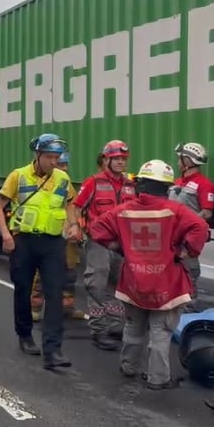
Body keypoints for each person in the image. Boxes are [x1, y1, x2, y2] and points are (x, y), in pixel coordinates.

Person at [89, 159, 207, 390]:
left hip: (134, 282)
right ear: (166, 187)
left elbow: (96, 230)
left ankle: (128, 367)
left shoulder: (123, 211)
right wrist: (185, 251)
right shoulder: (176, 211)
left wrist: (121, 248)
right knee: (160, 333)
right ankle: (158, 378)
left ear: (141, 185)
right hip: (166, 284)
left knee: (133, 328)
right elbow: (200, 228)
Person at [0, 133, 80, 369]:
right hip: (23, 242)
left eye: (56, 157)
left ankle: (53, 350)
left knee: (55, 294)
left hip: (52, 243)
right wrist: (7, 235)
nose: (54, 161)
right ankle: (25, 334)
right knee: (23, 289)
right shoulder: (18, 176)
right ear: (38, 155)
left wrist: (73, 225)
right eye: (49, 157)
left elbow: (70, 202)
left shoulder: (62, 178)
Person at [73, 140, 136, 350]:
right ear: (106, 159)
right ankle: (99, 330)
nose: (120, 162)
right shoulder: (93, 182)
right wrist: (78, 227)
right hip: (99, 241)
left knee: (119, 286)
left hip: (121, 244)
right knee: (96, 284)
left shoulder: (130, 185)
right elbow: (77, 206)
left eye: (123, 159)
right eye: (116, 158)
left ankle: (116, 326)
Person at [30, 151, 85, 321]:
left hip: (68, 238)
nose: (64, 168)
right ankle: (35, 307)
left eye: (65, 165)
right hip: (49, 236)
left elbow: (76, 208)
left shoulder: (67, 185)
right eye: (61, 165)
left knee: (69, 274)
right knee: (41, 275)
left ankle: (66, 307)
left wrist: (77, 228)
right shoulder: (44, 186)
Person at [170, 142, 213, 311]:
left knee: (189, 275)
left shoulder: (205, 184)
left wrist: (186, 223)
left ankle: (188, 317)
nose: (178, 161)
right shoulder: (177, 181)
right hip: (171, 239)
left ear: (187, 160)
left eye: (180, 157)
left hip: (188, 240)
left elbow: (207, 213)